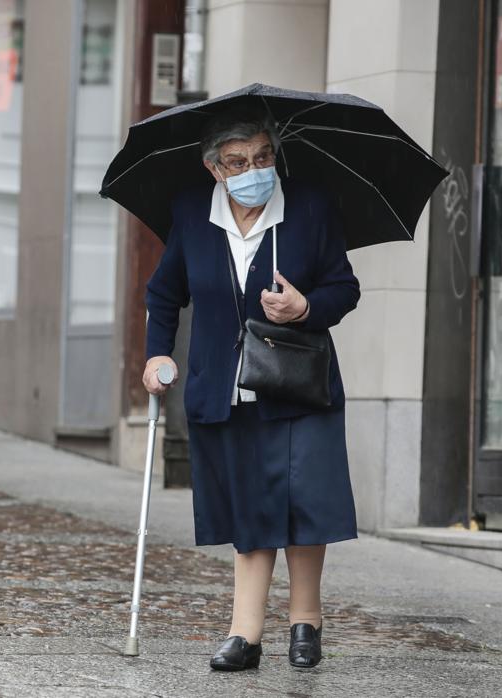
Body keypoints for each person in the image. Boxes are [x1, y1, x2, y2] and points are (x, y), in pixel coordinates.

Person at [143, 108, 360, 671]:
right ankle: (245, 633)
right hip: (225, 387)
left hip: (298, 385)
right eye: (238, 162)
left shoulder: (309, 207)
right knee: (250, 509)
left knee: (305, 502)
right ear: (214, 168)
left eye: (263, 157)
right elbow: (165, 293)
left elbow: (344, 286)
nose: (253, 170)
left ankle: (305, 623)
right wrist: (157, 352)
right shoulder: (192, 214)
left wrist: (305, 306)